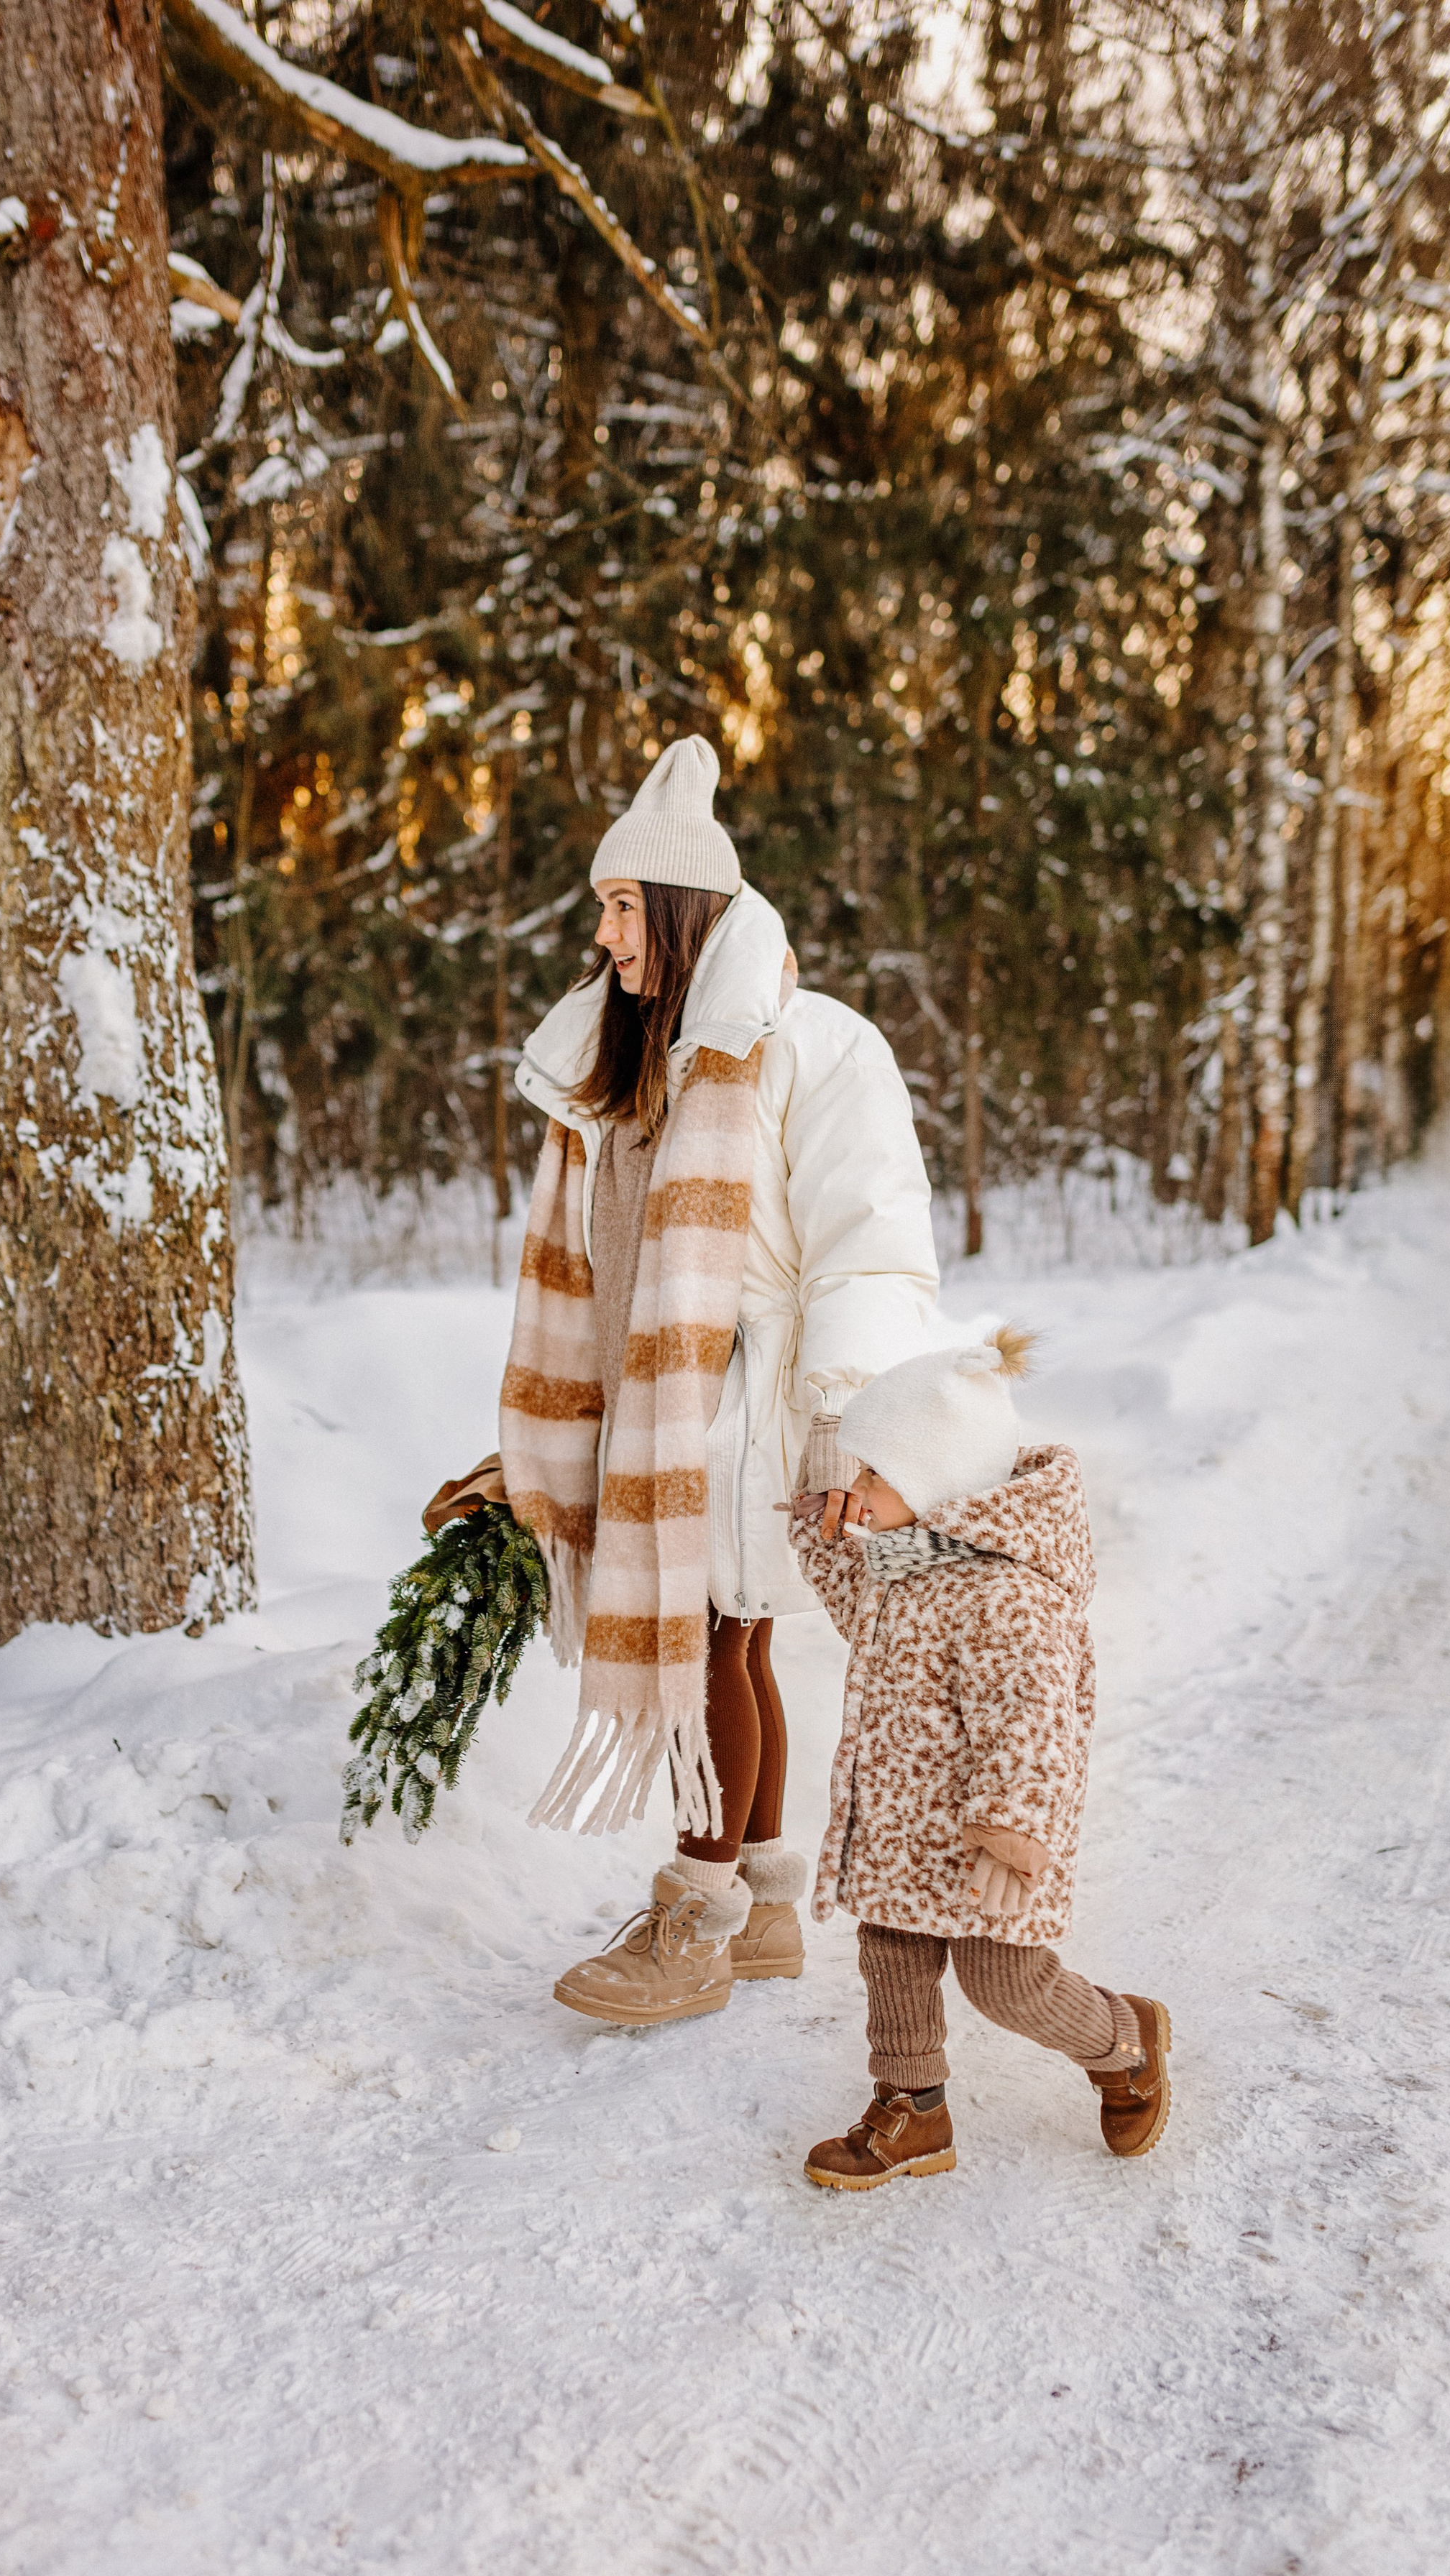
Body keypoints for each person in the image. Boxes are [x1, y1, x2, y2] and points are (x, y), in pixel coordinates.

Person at [496, 733, 937, 2025]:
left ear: (685, 911)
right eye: (601, 908)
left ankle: (694, 1919)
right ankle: (762, 1911)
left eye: (626, 906)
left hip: (750, 1392)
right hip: (661, 1396)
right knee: (732, 1642)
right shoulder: (635, 1063)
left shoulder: (810, 1045)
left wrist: (851, 1413)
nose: (608, 934)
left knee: (709, 1649)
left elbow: (873, 1232)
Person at [785, 1330, 1172, 2189]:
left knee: (1006, 1980)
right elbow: (853, 1591)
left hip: (985, 1832)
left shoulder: (1008, 1591)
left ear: (940, 1484)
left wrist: (1012, 1824)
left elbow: (1034, 1720)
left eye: (873, 1476)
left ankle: (1123, 2039)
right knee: (891, 1951)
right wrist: (822, 1518)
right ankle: (912, 2107)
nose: (859, 1492)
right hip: (897, 1821)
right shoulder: (907, 1563)